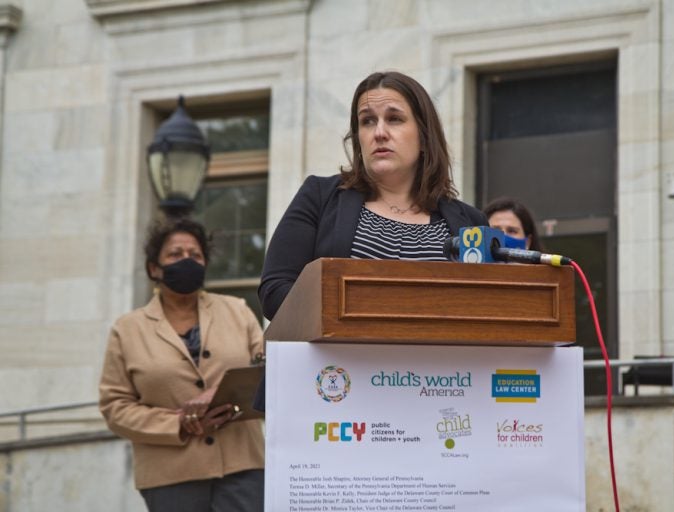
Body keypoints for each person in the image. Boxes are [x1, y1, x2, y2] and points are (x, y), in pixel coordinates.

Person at [258, 70, 487, 319]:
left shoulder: (471, 223)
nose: (379, 132)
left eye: (394, 119)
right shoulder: (319, 197)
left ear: (423, 136)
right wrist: (351, 313)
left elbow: (489, 307)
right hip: (340, 357)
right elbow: (275, 291)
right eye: (367, 121)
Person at [99, 218, 265, 512]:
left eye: (195, 255)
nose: (186, 261)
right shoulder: (127, 329)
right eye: (175, 254)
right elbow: (115, 407)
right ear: (154, 268)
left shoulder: (237, 310)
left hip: (244, 468)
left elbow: (267, 371)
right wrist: (180, 424)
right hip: (169, 476)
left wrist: (218, 392)